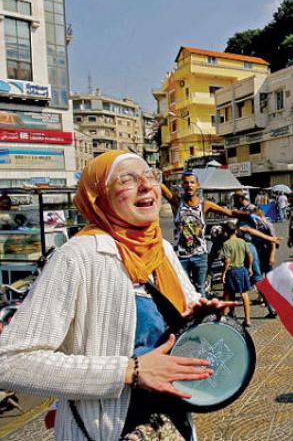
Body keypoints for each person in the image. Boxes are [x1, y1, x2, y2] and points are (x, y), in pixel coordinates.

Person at [0, 151, 231, 440]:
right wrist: (129, 371)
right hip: (106, 428)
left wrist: (198, 318)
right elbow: (10, 361)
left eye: (150, 176)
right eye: (127, 180)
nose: (146, 186)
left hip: (168, 424)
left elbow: (176, 319)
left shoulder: (161, 249)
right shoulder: (77, 257)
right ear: (100, 197)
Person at [161, 173, 248, 296]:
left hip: (200, 255)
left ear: (198, 185)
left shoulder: (204, 205)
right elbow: (164, 191)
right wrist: (150, 175)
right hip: (181, 256)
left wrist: (251, 214)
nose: (189, 185)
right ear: (182, 185)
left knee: (200, 288)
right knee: (183, 289)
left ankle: (202, 308)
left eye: (192, 182)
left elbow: (229, 212)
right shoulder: (178, 203)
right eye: (186, 183)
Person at [220, 220, 253, 327]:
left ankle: (224, 318)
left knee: (227, 295)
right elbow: (250, 255)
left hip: (231, 271)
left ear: (226, 232)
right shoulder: (242, 241)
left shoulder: (226, 244)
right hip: (242, 269)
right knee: (244, 294)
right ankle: (247, 319)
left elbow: (227, 261)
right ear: (235, 231)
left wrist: (223, 273)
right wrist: (250, 267)